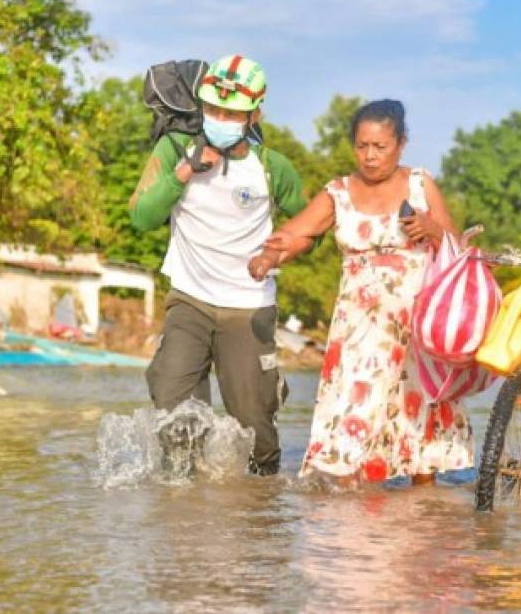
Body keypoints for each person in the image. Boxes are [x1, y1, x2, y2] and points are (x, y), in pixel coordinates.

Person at [250, 99, 473, 484]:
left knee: (418, 428)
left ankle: (422, 524)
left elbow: (462, 248)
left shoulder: (420, 184)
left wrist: (433, 230)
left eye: (380, 147)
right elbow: (298, 231)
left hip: (416, 329)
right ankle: (354, 531)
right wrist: (268, 256)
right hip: (359, 334)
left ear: (401, 143)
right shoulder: (338, 192)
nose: (369, 156)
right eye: (362, 146)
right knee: (354, 423)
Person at [129, 54, 309, 475]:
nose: (220, 118)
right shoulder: (175, 147)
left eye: (232, 113)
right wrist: (185, 172)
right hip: (189, 300)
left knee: (255, 433)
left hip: (248, 308)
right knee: (173, 414)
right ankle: (185, 516)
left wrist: (280, 251)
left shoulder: (272, 167)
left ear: (255, 113)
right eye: (212, 109)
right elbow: (141, 217)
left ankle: (261, 514)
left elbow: (309, 226)